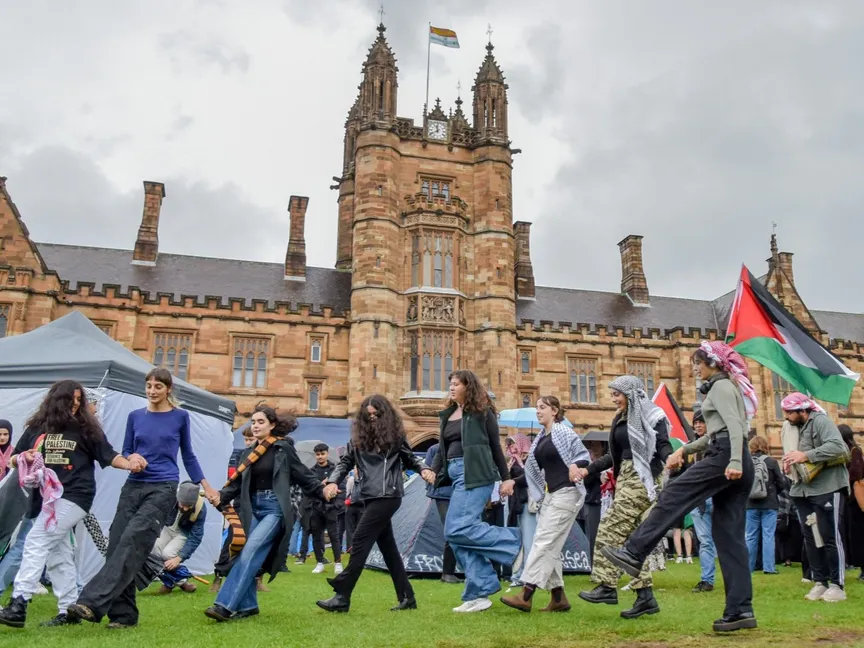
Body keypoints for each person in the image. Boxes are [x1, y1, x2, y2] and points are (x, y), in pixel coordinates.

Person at [601, 341, 758, 633]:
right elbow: (716, 433)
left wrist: (733, 460)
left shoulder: (721, 387)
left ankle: (634, 552)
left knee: (673, 494)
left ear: (712, 363)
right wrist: (683, 451)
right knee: (729, 540)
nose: (695, 368)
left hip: (727, 457)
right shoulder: (726, 387)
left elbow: (736, 428)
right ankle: (740, 610)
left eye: (698, 363)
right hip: (734, 458)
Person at [68, 368, 219, 629]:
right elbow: (127, 449)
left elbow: (189, 456)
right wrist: (131, 459)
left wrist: (207, 486)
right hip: (133, 485)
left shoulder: (180, 417)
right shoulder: (135, 416)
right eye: (148, 385)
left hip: (163, 487)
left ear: (168, 389)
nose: (151, 390)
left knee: (133, 540)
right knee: (116, 545)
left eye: (157, 386)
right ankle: (124, 616)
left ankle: (91, 603)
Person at [0, 381, 143, 629]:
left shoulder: (86, 429)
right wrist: (24, 457)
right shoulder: (37, 427)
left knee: (37, 540)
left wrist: (129, 463)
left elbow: (109, 455)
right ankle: (69, 610)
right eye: (72, 399)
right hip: (45, 500)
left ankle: (18, 603)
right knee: (59, 554)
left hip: (75, 496)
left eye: (80, 400)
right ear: (58, 400)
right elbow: (14, 457)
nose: (77, 404)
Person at [205, 406, 326, 621]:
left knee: (251, 550)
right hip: (252, 508)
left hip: (274, 508)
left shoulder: (282, 449)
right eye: (253, 421)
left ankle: (223, 605)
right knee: (244, 554)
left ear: (272, 425)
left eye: (260, 421)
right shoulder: (248, 453)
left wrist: (323, 490)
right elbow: (236, 485)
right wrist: (221, 495)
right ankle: (249, 605)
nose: (255, 425)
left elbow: (303, 475)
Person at [316, 395, 435, 613]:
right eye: (368, 415)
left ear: (384, 414)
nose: (372, 418)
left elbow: (410, 458)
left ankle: (342, 594)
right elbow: (345, 462)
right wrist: (333, 481)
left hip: (389, 495)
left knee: (360, 540)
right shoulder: (357, 439)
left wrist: (424, 469)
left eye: (376, 414)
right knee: (388, 549)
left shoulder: (395, 436)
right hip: (369, 495)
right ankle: (407, 597)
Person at [576, 375, 672, 620]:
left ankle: (607, 586)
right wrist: (589, 469)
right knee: (632, 540)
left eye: (617, 394)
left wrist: (671, 456)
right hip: (627, 477)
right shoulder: (620, 418)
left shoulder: (652, 415)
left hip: (644, 478)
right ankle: (645, 597)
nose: (613, 399)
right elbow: (614, 456)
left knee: (609, 529)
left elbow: (662, 444)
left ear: (630, 393)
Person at [431, 370, 521, 614]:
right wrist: (433, 471)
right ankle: (480, 592)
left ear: (468, 386)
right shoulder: (448, 414)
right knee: (455, 534)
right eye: (450, 383)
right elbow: (442, 449)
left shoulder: (483, 413)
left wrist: (506, 479)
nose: (451, 387)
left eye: (456, 383)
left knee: (458, 528)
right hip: (456, 474)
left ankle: (515, 543)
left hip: (477, 474)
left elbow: (495, 446)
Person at [501, 396, 588, 613]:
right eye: (537, 408)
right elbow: (532, 473)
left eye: (542, 408)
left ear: (555, 411)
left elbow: (583, 457)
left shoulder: (564, 433)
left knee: (543, 542)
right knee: (551, 546)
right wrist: (513, 480)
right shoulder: (541, 438)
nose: (538, 411)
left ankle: (526, 593)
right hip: (551, 496)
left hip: (566, 494)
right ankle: (558, 598)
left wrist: (575, 465)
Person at [781, 393, 850, 603]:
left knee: (829, 536)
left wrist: (806, 456)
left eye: (789, 413)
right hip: (803, 490)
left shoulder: (820, 421)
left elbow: (839, 447)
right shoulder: (796, 428)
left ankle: (837, 585)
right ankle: (820, 582)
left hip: (827, 487)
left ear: (802, 410)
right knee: (811, 537)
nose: (786, 417)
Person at [150, 482, 207, 594]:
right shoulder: (168, 497)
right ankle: (180, 582)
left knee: (168, 554)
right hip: (167, 527)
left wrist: (179, 558)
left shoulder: (201, 509)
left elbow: (196, 536)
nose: (185, 509)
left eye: (188, 506)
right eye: (182, 505)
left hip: (183, 533)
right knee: (154, 549)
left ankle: (169, 584)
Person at [745, 436, 787, 575]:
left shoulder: (747, 462)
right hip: (769, 503)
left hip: (750, 503)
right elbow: (781, 483)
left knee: (751, 536)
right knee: (768, 535)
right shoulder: (772, 462)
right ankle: (769, 568)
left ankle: (749, 567)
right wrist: (773, 493)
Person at [687, 410, 717, 593]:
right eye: (695, 422)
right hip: (698, 499)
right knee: (705, 541)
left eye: (701, 422)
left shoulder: (715, 444)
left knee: (723, 540)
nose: (698, 425)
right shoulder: (692, 448)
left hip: (714, 497)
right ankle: (707, 580)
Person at [304, 443, 344, 575]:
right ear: (315, 455)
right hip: (316, 507)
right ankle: (319, 562)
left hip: (331, 507)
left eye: (322, 454)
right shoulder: (311, 471)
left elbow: (341, 488)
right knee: (317, 536)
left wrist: (337, 504)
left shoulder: (335, 469)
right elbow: (307, 490)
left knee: (334, 536)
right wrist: (320, 486)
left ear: (327, 454)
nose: (320, 456)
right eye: (318, 454)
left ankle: (338, 563)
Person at [425, 442, 459, 583]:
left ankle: (450, 572)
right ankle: (448, 572)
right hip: (444, 494)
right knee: (451, 531)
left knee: (455, 530)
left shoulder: (436, 448)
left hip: (451, 493)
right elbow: (428, 471)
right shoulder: (435, 449)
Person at [506, 434, 535, 587]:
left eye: (514, 444)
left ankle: (527, 576)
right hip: (514, 504)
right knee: (519, 540)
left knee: (529, 541)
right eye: (510, 445)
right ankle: (517, 573)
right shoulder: (511, 461)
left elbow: (529, 478)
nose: (511, 448)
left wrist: (519, 462)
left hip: (526, 504)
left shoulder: (531, 459)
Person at [838, 425, 863, 582]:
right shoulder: (845, 453)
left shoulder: (855, 452)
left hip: (856, 499)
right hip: (849, 499)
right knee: (852, 535)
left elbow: (856, 476)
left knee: (860, 535)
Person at [578, 440, 605, 564]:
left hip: (606, 500)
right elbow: (586, 482)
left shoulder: (608, 462)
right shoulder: (587, 464)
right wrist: (594, 470)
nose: (594, 448)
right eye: (592, 445)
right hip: (593, 501)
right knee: (593, 535)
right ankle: (594, 564)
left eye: (596, 445)